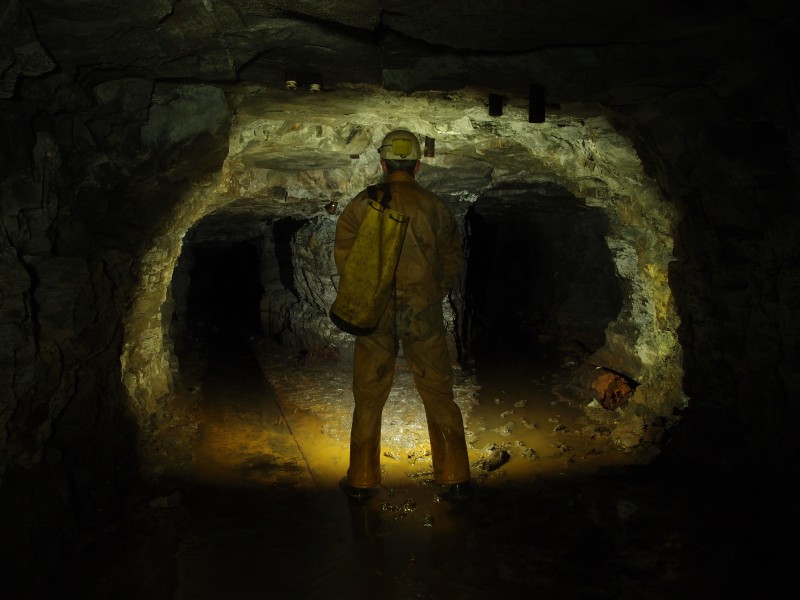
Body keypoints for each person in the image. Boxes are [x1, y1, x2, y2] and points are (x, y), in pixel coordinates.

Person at [334, 129, 473, 503]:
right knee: (438, 392)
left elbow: (346, 259)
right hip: (422, 312)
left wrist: (370, 294)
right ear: (418, 166)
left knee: (368, 394)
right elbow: (451, 259)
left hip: (375, 313)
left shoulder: (363, 204)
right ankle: (454, 474)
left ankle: (363, 477)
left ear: (382, 165)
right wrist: (429, 293)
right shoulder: (435, 206)